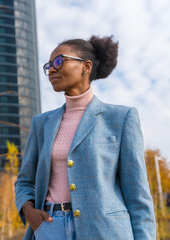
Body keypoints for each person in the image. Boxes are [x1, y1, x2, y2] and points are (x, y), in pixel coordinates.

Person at [15, 35, 156, 240]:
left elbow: (138, 196)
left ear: (85, 67)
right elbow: (24, 181)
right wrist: (28, 211)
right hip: (49, 227)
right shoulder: (41, 124)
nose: (51, 69)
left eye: (58, 61)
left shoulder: (121, 118)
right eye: (49, 65)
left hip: (105, 231)